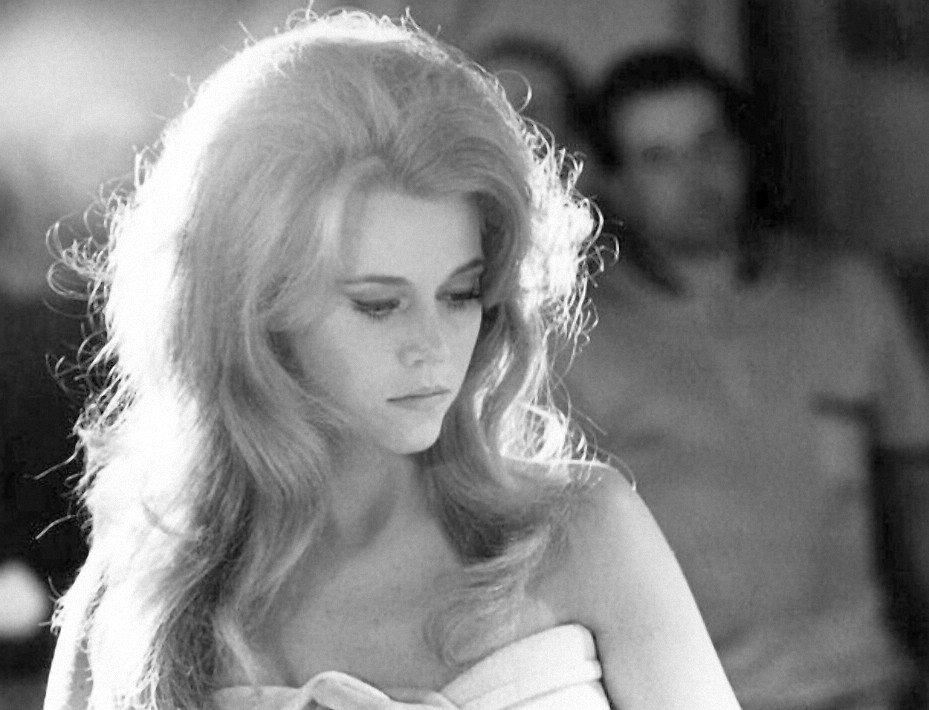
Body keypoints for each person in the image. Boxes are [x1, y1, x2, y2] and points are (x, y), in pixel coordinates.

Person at [43, 10, 740, 710]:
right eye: (378, 304)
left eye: (461, 294)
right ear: (254, 306)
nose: (432, 346)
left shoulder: (583, 535)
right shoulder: (144, 586)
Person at [562, 47, 929, 708]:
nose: (695, 176)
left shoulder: (848, 292)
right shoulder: (576, 334)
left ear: (744, 149)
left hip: (867, 683)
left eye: (710, 144)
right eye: (658, 157)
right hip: (698, 694)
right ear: (614, 183)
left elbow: (915, 489)